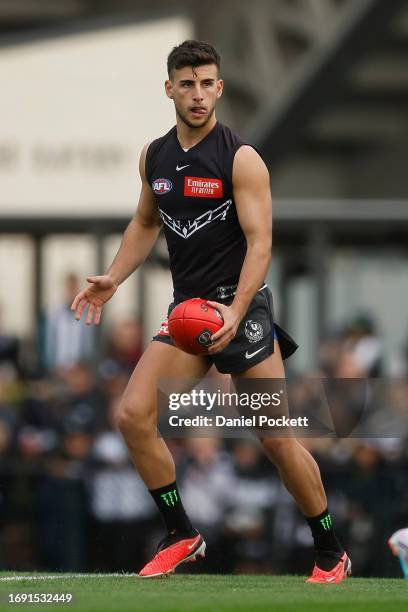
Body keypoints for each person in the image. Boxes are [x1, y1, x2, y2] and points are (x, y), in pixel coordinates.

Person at [71, 40, 350, 583]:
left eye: (207, 83)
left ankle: (330, 548)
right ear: (169, 88)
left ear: (220, 88)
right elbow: (146, 222)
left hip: (240, 311)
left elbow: (261, 244)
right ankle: (181, 533)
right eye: (187, 83)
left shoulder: (241, 159)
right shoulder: (154, 156)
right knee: (132, 416)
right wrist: (113, 277)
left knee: (274, 438)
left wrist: (235, 310)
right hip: (188, 315)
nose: (198, 94)